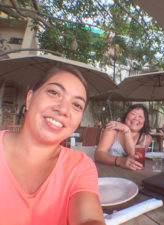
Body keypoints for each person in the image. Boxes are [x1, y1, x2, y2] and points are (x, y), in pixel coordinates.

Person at [0, 66, 105, 224]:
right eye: (54, 92)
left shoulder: (80, 167)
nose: (63, 109)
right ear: (29, 99)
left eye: (77, 105)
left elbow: (89, 219)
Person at [95, 104, 152, 170]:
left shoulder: (146, 138)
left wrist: (126, 131)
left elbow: (135, 157)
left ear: (145, 121)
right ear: (126, 116)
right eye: (133, 114)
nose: (136, 118)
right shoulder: (112, 130)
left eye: (140, 116)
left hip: (133, 174)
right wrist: (119, 161)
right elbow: (98, 155)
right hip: (107, 171)